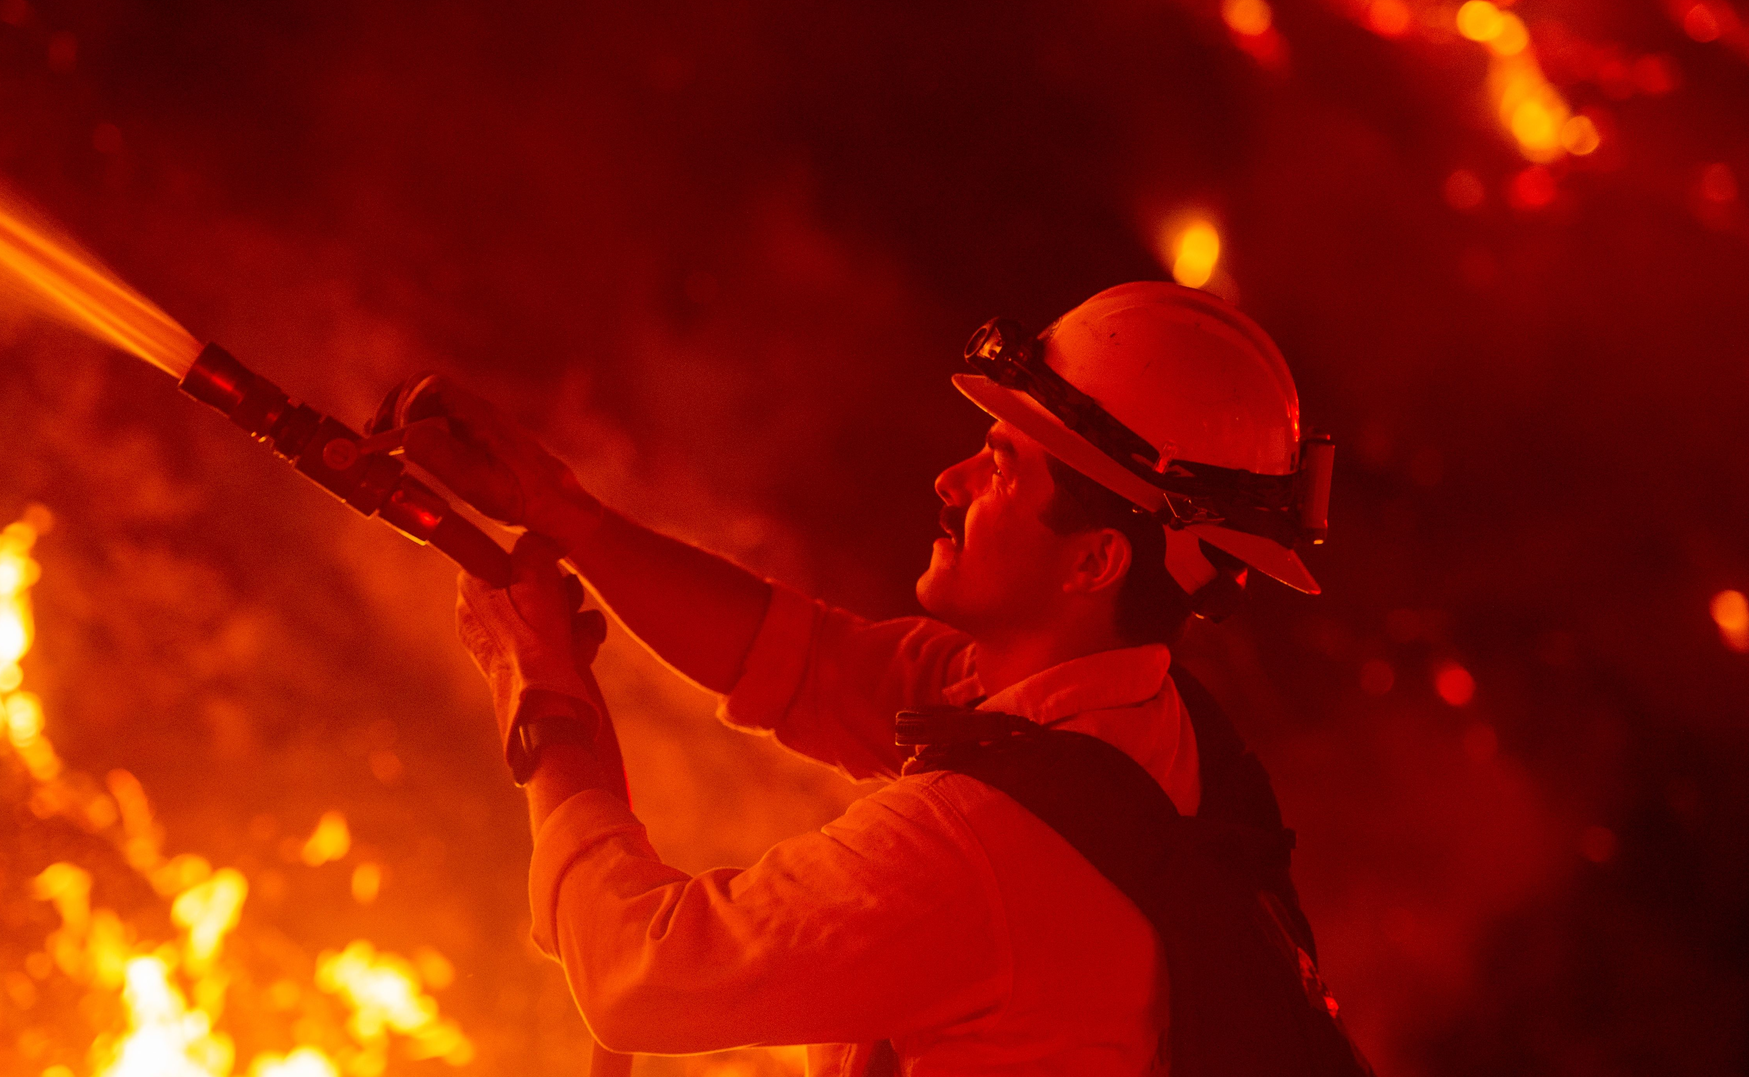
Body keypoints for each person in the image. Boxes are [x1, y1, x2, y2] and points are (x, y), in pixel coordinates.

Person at [394, 281, 1335, 1076]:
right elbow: (801, 661)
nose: (950, 479)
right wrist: (570, 516)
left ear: (1094, 562)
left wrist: (540, 694)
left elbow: (637, 975)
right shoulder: (1134, 725)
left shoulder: (976, 848)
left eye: (1003, 467)